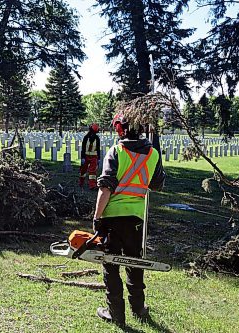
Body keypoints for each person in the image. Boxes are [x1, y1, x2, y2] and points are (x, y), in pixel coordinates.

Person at [93, 113, 165, 327]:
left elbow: (105, 188)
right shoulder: (152, 154)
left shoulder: (116, 151)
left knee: (111, 264)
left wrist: (97, 217)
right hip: (136, 218)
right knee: (135, 262)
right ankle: (138, 307)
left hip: (112, 217)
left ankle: (116, 313)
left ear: (120, 129)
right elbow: (157, 184)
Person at [79, 124, 101, 189]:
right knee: (83, 170)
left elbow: (98, 148)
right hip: (86, 156)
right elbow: (83, 148)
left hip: (94, 156)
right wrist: (83, 157)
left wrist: (98, 158)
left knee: (92, 171)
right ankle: (81, 182)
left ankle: (92, 185)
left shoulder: (97, 138)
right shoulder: (86, 137)